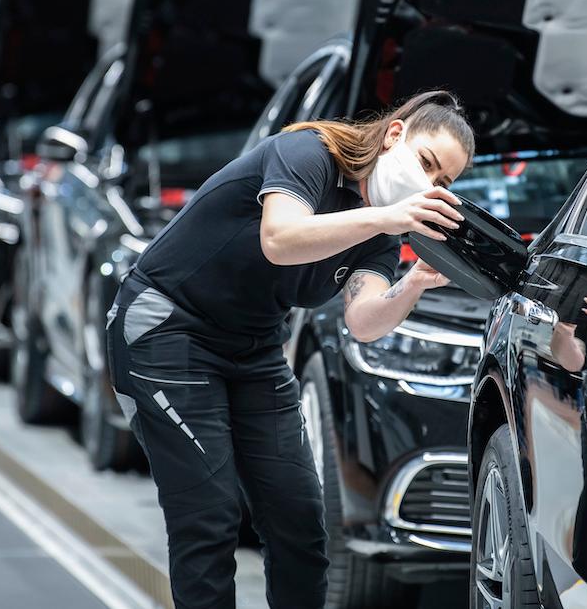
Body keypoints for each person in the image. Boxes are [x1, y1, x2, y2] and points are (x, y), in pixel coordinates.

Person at [104, 90, 474, 608]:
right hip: (166, 329)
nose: (429, 186)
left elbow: (364, 322)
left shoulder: (383, 233)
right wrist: (387, 220)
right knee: (209, 517)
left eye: (443, 183)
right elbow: (279, 238)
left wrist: (412, 284)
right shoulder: (309, 152)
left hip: (254, 348)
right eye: (426, 163)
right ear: (394, 135)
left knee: (300, 522)